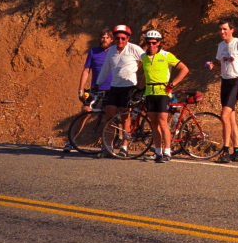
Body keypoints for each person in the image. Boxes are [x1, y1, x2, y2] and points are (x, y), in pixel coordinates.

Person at [205, 20, 238, 163]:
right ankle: (237, 151)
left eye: (224, 29)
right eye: (220, 29)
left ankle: (225, 151)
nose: (222, 32)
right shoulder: (220, 46)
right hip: (224, 82)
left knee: (224, 116)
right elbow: (221, 66)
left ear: (232, 30)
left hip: (236, 82)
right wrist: (213, 67)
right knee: (231, 118)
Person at [140, 29, 189, 163]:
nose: (151, 45)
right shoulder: (144, 57)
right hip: (150, 92)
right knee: (153, 123)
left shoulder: (166, 55)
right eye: (148, 42)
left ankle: (167, 151)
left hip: (163, 92)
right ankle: (157, 152)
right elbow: (145, 75)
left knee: (162, 122)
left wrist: (173, 84)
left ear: (159, 43)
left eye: (154, 42)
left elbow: (184, 69)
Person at [97, 24, 145, 157]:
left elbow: (147, 61)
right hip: (114, 87)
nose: (120, 41)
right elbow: (105, 69)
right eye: (117, 38)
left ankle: (124, 147)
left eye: (123, 38)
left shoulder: (134, 49)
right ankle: (108, 147)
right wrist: (97, 84)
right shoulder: (111, 50)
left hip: (129, 88)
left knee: (125, 117)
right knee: (109, 116)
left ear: (128, 38)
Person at [63, 28, 114, 152]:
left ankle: (107, 145)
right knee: (85, 112)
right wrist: (81, 89)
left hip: (112, 89)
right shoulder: (93, 51)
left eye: (107, 37)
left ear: (112, 40)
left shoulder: (115, 52)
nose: (104, 39)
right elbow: (86, 70)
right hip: (96, 89)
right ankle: (71, 141)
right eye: (103, 37)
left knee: (109, 116)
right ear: (99, 38)